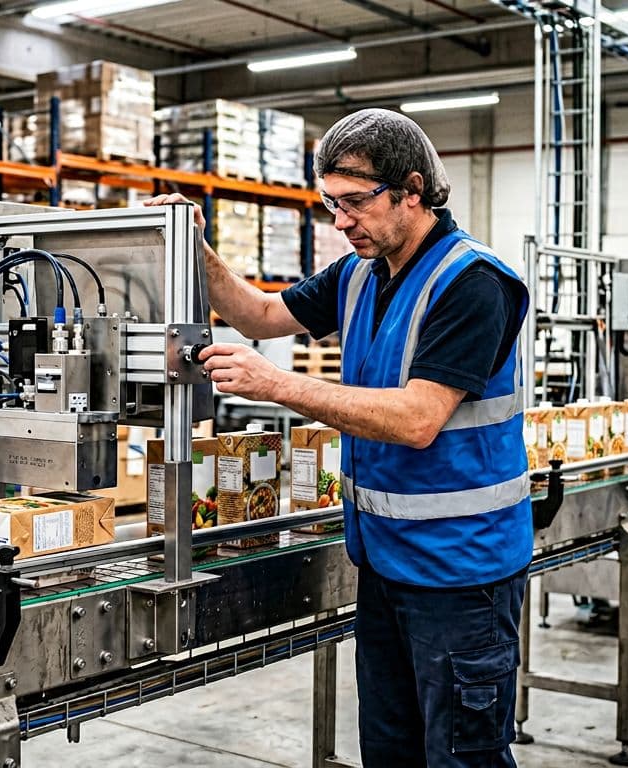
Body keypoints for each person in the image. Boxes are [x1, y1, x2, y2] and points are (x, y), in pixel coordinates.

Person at [144, 107, 530, 768]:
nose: (341, 222)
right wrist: (194, 247)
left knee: (461, 757)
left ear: (412, 190)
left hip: (462, 574)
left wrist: (279, 385)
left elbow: (418, 419)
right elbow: (260, 314)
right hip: (384, 563)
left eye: (355, 202)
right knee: (390, 750)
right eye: (331, 203)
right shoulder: (360, 272)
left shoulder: (472, 283)